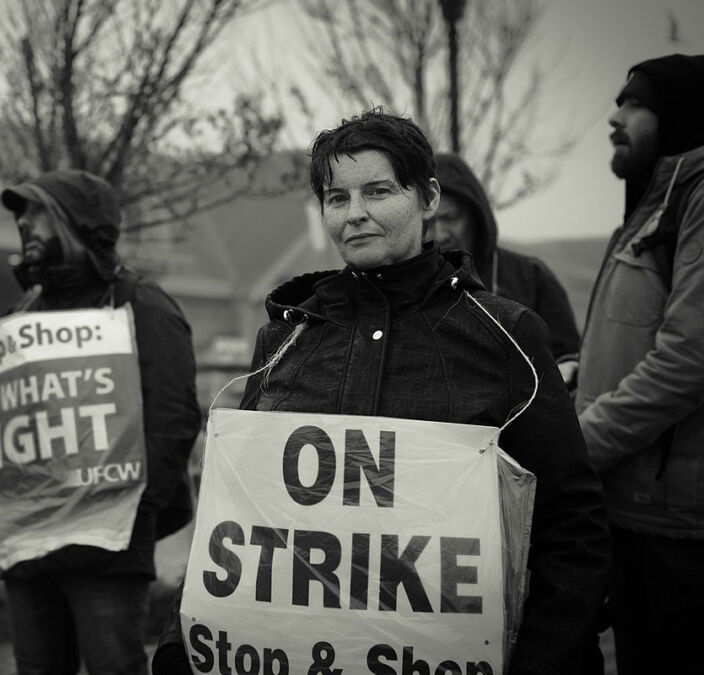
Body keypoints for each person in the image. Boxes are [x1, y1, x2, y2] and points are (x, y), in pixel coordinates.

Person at [153, 110, 609, 674]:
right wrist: (182, 639)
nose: (356, 215)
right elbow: (241, 513)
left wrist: (542, 656)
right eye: (336, 198)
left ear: (428, 198)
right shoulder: (285, 338)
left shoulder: (507, 336)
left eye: (378, 191)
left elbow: (573, 523)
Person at [0, 169, 202, 674]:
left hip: (105, 550)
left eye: (36, 211)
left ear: (76, 223)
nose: (23, 223)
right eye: (20, 214)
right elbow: (0, 419)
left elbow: (173, 423)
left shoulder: (145, 309)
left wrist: (124, 513)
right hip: (27, 545)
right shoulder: (23, 312)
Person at [575, 53, 704, 674]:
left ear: (680, 112)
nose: (615, 116)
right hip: (636, 514)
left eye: (635, 102)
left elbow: (689, 359)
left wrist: (580, 443)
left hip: (679, 535)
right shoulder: (657, 201)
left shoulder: (699, 198)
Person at [427, 152, 581, 378]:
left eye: (450, 218)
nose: (439, 234)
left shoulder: (531, 277)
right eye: (428, 222)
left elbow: (568, 359)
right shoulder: (412, 284)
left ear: (476, 216)